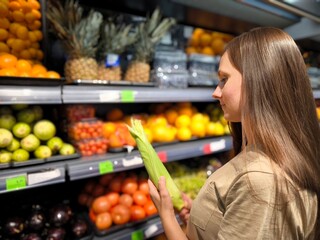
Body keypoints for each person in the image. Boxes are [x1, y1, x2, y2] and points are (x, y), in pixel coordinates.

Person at [148, 27, 320, 239]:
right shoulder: (267, 154)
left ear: (260, 80)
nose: (215, 92)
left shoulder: (260, 181)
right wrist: (202, 218)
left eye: (224, 79)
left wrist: (166, 216)